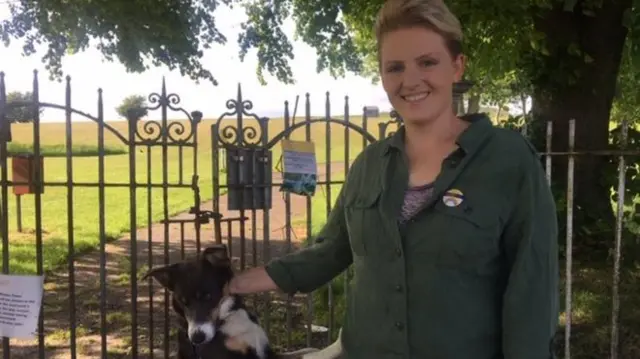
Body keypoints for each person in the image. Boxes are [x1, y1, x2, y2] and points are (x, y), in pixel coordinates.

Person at [228, 0, 560, 358]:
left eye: (427, 62)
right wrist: (232, 283)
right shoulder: (369, 164)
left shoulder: (508, 160)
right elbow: (331, 251)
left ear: (457, 66)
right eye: (395, 67)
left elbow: (532, 288)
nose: (410, 80)